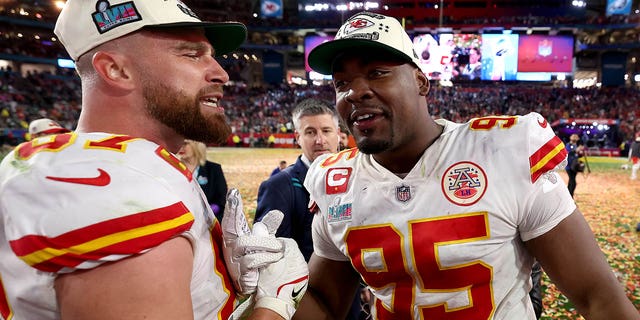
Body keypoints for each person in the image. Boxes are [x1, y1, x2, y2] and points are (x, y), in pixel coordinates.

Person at [289, 11, 639, 319]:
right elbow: (324, 300)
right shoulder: (334, 180)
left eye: (378, 72)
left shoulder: (503, 150)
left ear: (421, 81)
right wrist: (268, 299)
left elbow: (597, 296)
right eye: (342, 83)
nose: (355, 92)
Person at [0, 1, 307, 319]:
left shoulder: (129, 166)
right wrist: (274, 305)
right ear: (116, 70)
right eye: (191, 54)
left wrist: (214, 270)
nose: (222, 74)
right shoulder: (114, 194)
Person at [255, 98, 362, 320]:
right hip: (307, 306)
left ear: (338, 135)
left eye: (326, 131)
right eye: (310, 132)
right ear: (298, 137)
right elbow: (274, 263)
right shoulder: (278, 187)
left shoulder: (357, 179)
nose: (320, 140)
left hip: (352, 303)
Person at [177, 139, 228, 221]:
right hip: (180, 223)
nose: (180, 147)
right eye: (179, 143)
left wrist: (209, 212)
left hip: (208, 224)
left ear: (197, 145)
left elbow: (222, 199)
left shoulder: (214, 169)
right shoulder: (173, 168)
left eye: (185, 143)